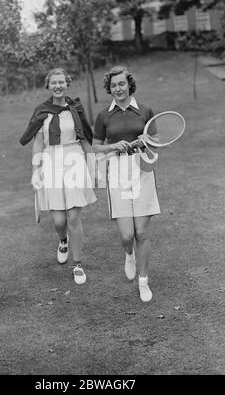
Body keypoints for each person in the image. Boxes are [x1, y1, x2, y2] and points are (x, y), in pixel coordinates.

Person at [20, 68, 96, 284]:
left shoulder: (75, 108)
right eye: (54, 82)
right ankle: (63, 240)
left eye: (61, 81)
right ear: (49, 85)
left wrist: (93, 167)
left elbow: (84, 139)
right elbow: (37, 143)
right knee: (59, 220)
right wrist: (35, 170)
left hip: (74, 160)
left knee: (73, 216)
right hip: (51, 162)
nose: (58, 86)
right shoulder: (42, 110)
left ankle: (78, 264)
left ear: (67, 83)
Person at [93, 65, 160, 302]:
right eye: (113, 86)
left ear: (129, 84)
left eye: (121, 84)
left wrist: (145, 141)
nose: (117, 89)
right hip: (117, 173)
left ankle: (143, 281)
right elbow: (95, 146)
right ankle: (128, 254)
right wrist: (112, 146)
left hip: (142, 171)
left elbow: (156, 141)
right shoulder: (104, 116)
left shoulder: (145, 110)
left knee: (141, 232)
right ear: (109, 89)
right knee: (126, 235)